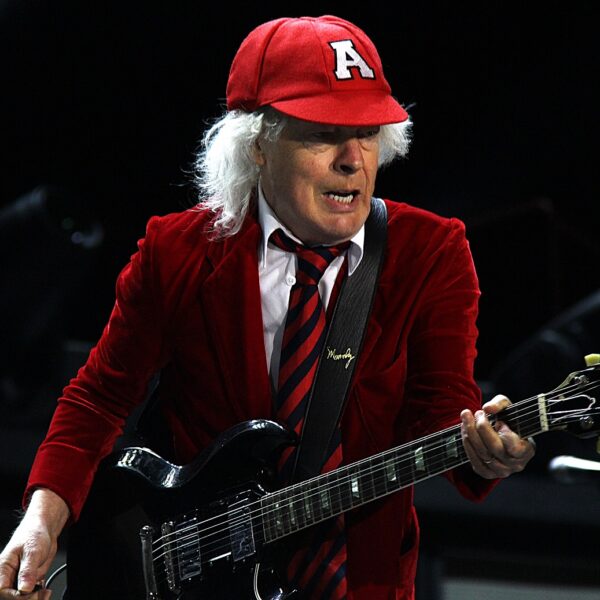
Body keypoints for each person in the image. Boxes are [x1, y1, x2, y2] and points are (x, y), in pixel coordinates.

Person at [0, 14, 535, 600]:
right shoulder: (178, 251)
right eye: (323, 134)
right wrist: (41, 518)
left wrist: (482, 450)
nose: (353, 160)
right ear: (257, 144)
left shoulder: (431, 251)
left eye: (367, 133)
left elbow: (443, 407)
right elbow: (99, 398)